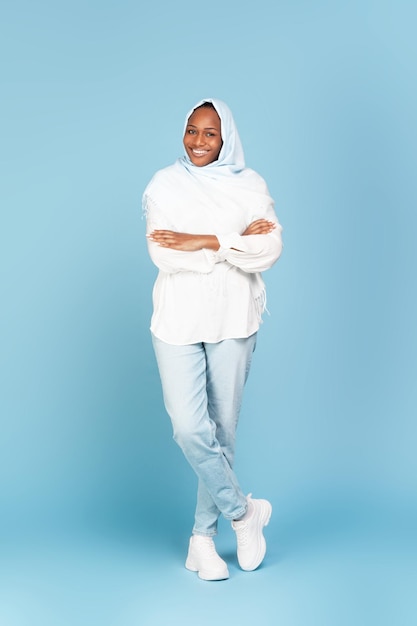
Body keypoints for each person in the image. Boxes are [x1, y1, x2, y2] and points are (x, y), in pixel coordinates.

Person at [143, 98, 283, 581]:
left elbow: (269, 249)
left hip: (234, 318)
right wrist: (235, 240)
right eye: (191, 131)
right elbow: (164, 254)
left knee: (222, 432)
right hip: (178, 320)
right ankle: (244, 513)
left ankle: (202, 540)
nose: (198, 142)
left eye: (210, 134)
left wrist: (208, 241)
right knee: (189, 427)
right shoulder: (165, 184)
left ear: (226, 140)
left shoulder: (250, 184)